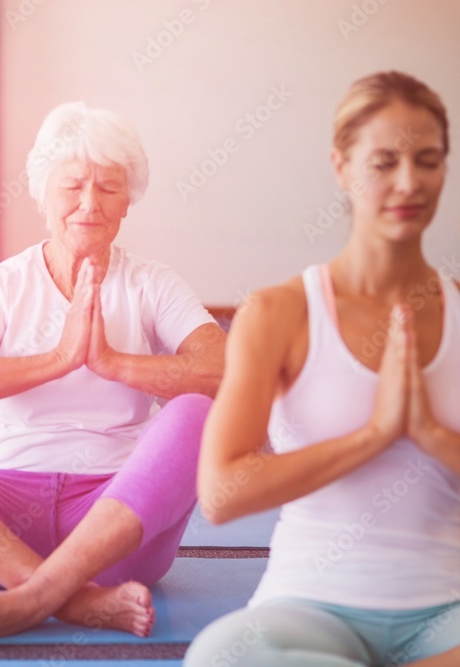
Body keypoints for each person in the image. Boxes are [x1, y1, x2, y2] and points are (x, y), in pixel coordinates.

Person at [0, 101, 228, 649]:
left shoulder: (153, 283)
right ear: (43, 193)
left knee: (201, 414)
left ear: (129, 199)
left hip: (117, 527)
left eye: (109, 188)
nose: (89, 205)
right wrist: (57, 360)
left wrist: (113, 363)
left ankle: (27, 600)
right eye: (73, 186)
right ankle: (72, 600)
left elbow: (223, 376)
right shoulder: (2, 284)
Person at [185, 71, 460, 667]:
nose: (409, 182)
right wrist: (374, 435)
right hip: (309, 613)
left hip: (447, 611)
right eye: (384, 162)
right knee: (219, 657)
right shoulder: (280, 312)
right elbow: (221, 495)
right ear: (342, 167)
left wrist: (433, 437)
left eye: (429, 160)